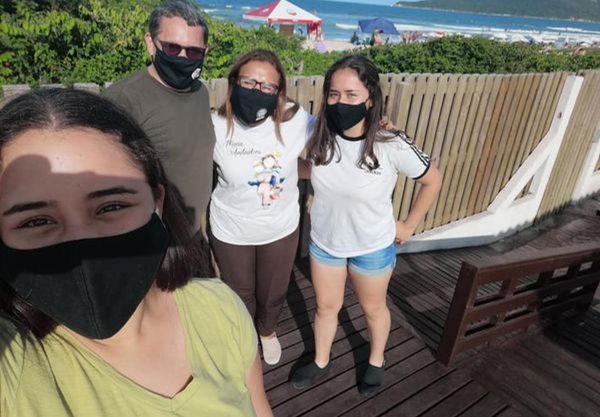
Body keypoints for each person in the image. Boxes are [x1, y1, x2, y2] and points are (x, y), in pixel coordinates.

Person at [0, 88, 273, 417]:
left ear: (157, 202)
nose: (81, 243)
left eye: (111, 206)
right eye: (36, 221)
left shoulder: (220, 310)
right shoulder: (13, 365)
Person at [291, 55, 442, 397]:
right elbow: (312, 167)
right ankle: (320, 359)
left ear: (370, 99)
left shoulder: (391, 143)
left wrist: (409, 225)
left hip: (372, 246)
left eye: (351, 95)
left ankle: (376, 359)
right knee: (325, 307)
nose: (340, 102)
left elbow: (432, 180)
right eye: (333, 94)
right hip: (326, 243)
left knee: (373, 308)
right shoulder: (317, 133)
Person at [209, 49, 313, 366]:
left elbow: (337, 138)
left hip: (280, 227)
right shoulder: (214, 125)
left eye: (268, 86)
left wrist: (380, 128)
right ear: (234, 82)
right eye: (249, 82)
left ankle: (267, 331)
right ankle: (245, 333)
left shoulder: (296, 120)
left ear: (279, 92)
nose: (258, 90)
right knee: (240, 292)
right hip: (231, 228)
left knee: (273, 292)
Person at [103, 0, 215, 275]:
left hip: (194, 234)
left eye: (194, 51)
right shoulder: (124, 99)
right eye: (173, 48)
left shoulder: (200, 92)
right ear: (150, 44)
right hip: (152, 243)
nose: (183, 57)